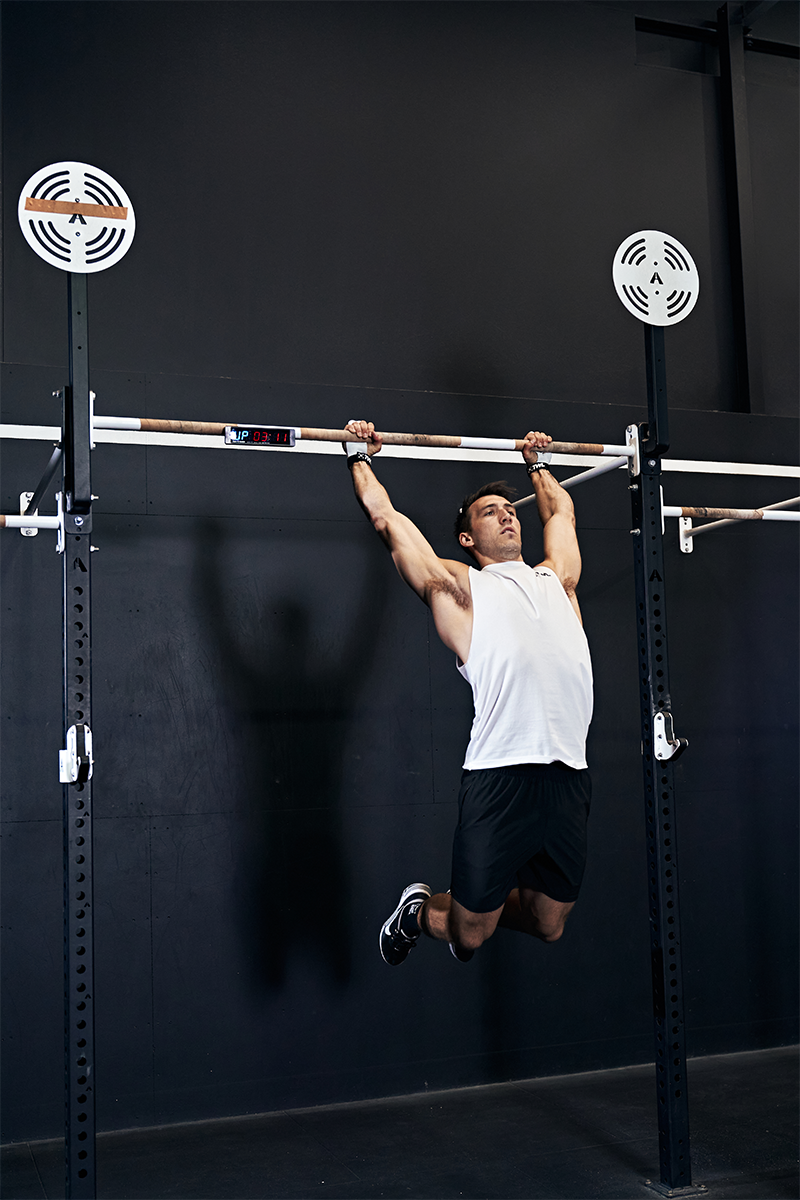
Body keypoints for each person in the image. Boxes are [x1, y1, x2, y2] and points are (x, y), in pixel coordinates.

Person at [343, 419, 593, 965]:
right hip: (500, 775)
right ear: (466, 538)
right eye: (490, 512)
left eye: (510, 510)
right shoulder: (461, 589)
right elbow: (387, 521)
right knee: (469, 935)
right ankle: (419, 912)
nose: (507, 515)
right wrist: (358, 456)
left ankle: (473, 906)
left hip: (568, 774)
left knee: (550, 924)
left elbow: (561, 513)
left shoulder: (558, 580)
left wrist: (538, 464)